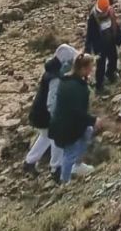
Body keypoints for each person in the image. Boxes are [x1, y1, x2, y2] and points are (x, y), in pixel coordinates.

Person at [23, 44, 77, 175]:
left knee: (45, 137)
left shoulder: (51, 72)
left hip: (38, 113)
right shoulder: (55, 78)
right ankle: (56, 168)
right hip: (45, 115)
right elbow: (51, 103)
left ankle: (29, 162)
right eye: (70, 62)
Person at [42, 44, 91, 179]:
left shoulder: (65, 77)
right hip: (61, 121)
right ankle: (61, 172)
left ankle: (70, 167)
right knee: (66, 147)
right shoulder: (58, 78)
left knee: (85, 133)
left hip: (63, 119)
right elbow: (52, 103)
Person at [50, 53, 97, 184]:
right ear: (83, 69)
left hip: (71, 123)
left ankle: (78, 165)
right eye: (90, 67)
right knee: (69, 154)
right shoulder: (74, 87)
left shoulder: (69, 81)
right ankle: (65, 181)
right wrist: (93, 120)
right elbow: (76, 111)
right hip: (66, 126)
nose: (92, 69)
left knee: (87, 131)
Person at [84, 0, 121, 92]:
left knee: (113, 58)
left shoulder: (110, 11)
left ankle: (110, 74)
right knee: (100, 65)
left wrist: (118, 38)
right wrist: (87, 49)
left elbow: (115, 25)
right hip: (99, 46)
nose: (106, 10)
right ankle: (99, 85)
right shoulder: (93, 17)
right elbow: (89, 34)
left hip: (110, 41)